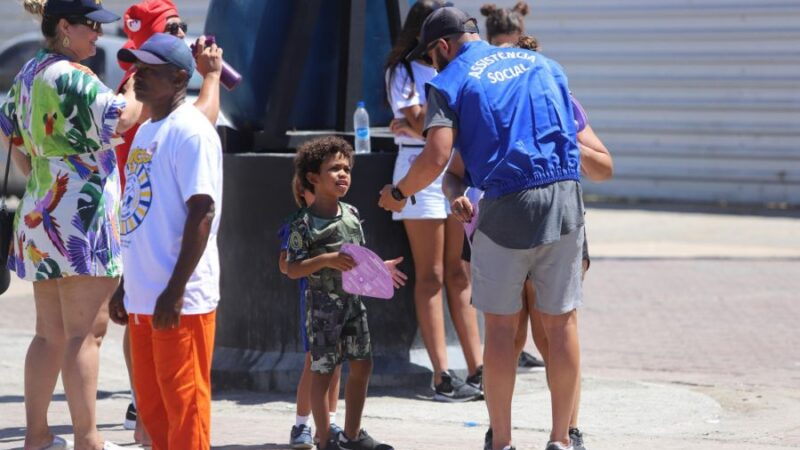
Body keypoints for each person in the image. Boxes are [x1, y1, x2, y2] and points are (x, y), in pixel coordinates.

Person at [379, 7, 584, 450]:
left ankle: (503, 442)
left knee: (502, 329)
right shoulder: (545, 64)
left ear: (442, 46)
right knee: (562, 322)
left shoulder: (449, 81)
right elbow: (570, 132)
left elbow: (434, 157)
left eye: (432, 57)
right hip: (566, 197)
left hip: (507, 203)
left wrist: (398, 193)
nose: (433, 66)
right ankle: (561, 439)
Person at [0, 0, 139, 448]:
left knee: (48, 334)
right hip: (82, 218)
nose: (97, 36)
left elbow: (11, 134)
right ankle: (89, 439)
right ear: (64, 27)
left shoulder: (28, 72)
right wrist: (135, 85)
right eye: (90, 27)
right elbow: (124, 117)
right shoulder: (74, 76)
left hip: (41, 214)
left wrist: (45, 166)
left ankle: (37, 436)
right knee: (86, 334)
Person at [112, 0, 223, 443]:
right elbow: (139, 212)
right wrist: (125, 285)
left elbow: (203, 211)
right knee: (155, 416)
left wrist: (174, 292)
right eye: (137, 66)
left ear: (180, 78)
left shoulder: (191, 130)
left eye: (150, 70)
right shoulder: (146, 131)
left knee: (185, 414)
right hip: (143, 297)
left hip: (180, 302)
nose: (138, 75)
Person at [384, 0, 483, 403]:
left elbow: (427, 123)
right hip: (417, 173)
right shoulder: (403, 69)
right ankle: (441, 374)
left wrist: (416, 122)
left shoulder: (460, 65)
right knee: (432, 274)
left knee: (461, 273)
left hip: (455, 169)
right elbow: (428, 125)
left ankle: (478, 369)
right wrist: (418, 122)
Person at [286, 136, 403, 450]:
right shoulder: (303, 223)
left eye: (347, 169)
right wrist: (326, 259)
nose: (343, 174)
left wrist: (382, 268)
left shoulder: (351, 212)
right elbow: (291, 268)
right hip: (322, 306)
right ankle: (325, 440)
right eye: (334, 168)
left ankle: (352, 436)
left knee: (363, 363)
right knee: (322, 370)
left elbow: (359, 259)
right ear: (313, 177)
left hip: (353, 303)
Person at [479, 1, 547, 374]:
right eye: (501, 49)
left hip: (541, 201)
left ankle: (566, 424)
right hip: (496, 203)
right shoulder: (483, 87)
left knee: (542, 307)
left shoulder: (545, 81)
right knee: (506, 313)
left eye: (517, 48)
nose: (510, 58)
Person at [279, 176, 344, 449]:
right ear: (303, 192)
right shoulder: (299, 224)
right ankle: (301, 425)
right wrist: (324, 259)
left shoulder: (347, 218)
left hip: (342, 300)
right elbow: (286, 265)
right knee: (314, 362)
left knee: (336, 362)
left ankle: (328, 423)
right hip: (315, 300)